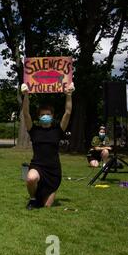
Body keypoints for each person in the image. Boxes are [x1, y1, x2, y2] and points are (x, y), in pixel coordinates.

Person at [21, 82, 74, 210]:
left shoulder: (58, 130)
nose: (45, 116)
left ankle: (46, 192)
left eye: (48, 114)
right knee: (31, 178)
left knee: (46, 206)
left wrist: (69, 95)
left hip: (53, 171)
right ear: (39, 117)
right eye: (42, 114)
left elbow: (67, 113)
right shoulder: (34, 130)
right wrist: (26, 95)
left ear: (52, 116)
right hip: (37, 166)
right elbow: (26, 114)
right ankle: (32, 198)